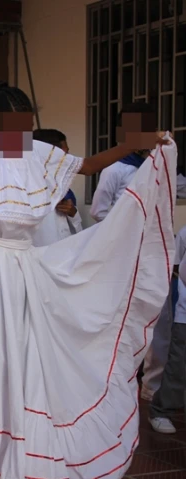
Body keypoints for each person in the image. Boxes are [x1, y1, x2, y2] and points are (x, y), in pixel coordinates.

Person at [0, 81, 174, 479]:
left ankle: (15, 439)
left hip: (24, 272)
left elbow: (89, 165)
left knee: (23, 360)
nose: (20, 133)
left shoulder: (35, 154)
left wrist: (140, 143)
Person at [90, 103, 172, 402]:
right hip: (121, 258)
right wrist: (128, 223)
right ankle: (116, 382)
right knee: (119, 318)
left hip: (151, 255)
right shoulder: (114, 169)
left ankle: (152, 390)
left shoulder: (157, 164)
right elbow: (99, 212)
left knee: (156, 319)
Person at [149, 224, 186, 434]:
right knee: (177, 365)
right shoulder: (184, 234)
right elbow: (177, 267)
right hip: (185, 314)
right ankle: (160, 410)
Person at [31, 129, 83, 246]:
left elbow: (75, 235)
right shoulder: (29, 192)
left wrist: (73, 214)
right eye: (65, 154)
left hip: (63, 256)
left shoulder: (64, 190)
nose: (69, 159)